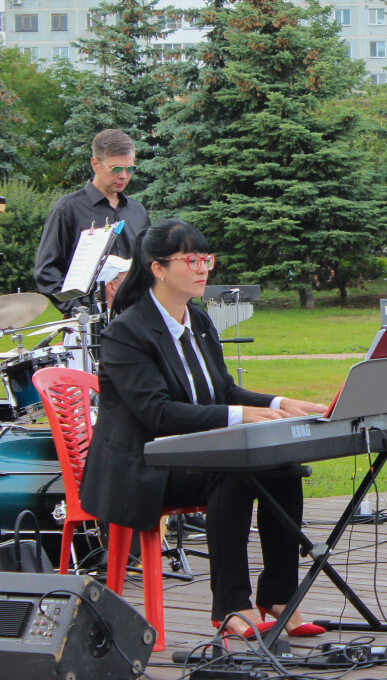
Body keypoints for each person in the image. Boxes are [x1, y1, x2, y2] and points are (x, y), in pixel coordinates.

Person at [79, 220, 328, 638]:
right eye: (191, 260)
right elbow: (158, 413)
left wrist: (277, 403)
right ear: (158, 268)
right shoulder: (125, 333)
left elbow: (223, 389)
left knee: (282, 467)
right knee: (231, 473)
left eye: (206, 259)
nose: (203, 269)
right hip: (144, 468)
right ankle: (231, 606)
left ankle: (279, 596)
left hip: (196, 455)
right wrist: (239, 416)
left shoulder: (198, 321)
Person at [35, 129, 151, 315]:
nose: (124, 175)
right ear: (95, 164)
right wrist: (79, 311)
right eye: (116, 169)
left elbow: (147, 264)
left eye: (130, 169)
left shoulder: (137, 211)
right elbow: (47, 272)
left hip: (135, 317)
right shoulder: (68, 209)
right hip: (87, 322)